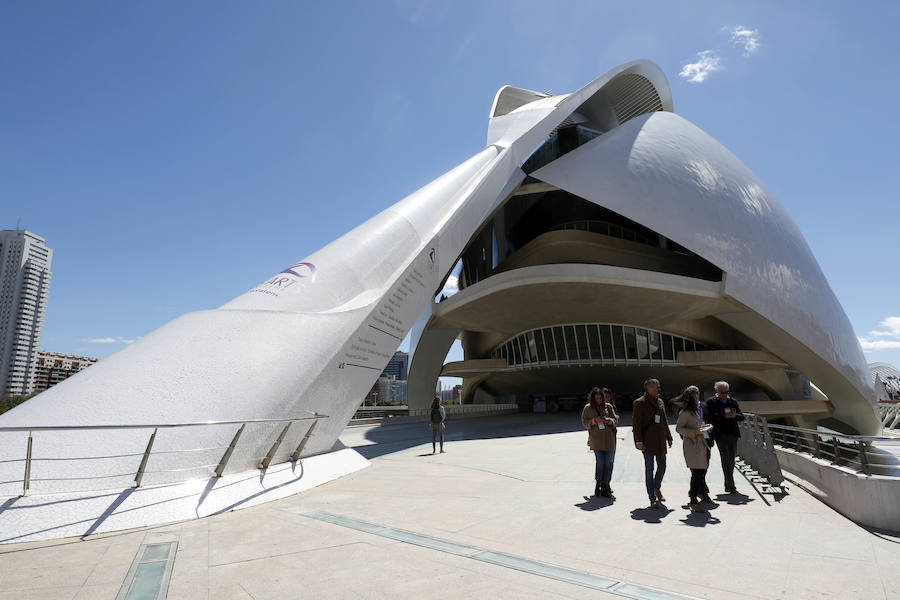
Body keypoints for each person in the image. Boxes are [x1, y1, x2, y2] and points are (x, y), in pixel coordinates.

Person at [633, 378, 673, 507]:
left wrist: (669, 436)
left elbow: (664, 420)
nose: (658, 389)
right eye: (656, 387)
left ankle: (657, 487)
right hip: (647, 441)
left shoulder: (660, 401)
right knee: (649, 469)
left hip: (660, 440)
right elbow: (636, 424)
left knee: (662, 466)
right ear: (648, 389)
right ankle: (651, 497)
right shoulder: (639, 403)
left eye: (658, 387)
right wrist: (638, 441)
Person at [675, 386, 713, 511]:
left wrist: (708, 427)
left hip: (702, 444)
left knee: (700, 472)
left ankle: (693, 494)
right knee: (697, 473)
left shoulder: (698, 410)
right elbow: (679, 429)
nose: (697, 396)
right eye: (695, 394)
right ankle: (693, 500)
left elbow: (700, 425)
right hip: (692, 445)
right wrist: (695, 432)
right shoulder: (685, 412)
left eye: (697, 393)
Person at [704, 381, 745, 493]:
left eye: (726, 392)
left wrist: (734, 416)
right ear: (716, 391)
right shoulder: (711, 402)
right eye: (722, 392)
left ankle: (728, 483)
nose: (724, 394)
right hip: (720, 434)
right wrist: (723, 416)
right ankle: (731, 485)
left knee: (731, 460)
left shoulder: (733, 401)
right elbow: (709, 418)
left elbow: (742, 417)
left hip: (733, 433)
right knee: (725, 458)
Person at [581, 387, 619, 497]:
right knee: (601, 462)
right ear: (593, 398)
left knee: (609, 463)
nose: (599, 400)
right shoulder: (588, 408)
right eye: (596, 398)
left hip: (609, 439)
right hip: (596, 439)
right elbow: (584, 421)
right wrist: (594, 421)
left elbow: (615, 419)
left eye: (600, 398)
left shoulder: (609, 406)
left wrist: (610, 421)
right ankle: (598, 485)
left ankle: (606, 485)